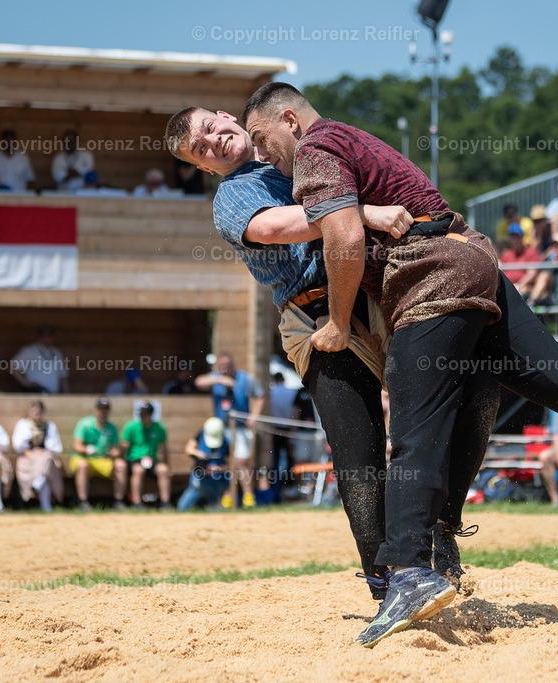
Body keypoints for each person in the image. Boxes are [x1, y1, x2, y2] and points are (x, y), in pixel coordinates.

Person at [241, 82, 558, 646]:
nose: (261, 155)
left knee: (414, 430)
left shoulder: (316, 149)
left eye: (263, 140)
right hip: (475, 259)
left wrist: (338, 322)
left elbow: (342, 235)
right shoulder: (354, 137)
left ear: (289, 119)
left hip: (432, 280)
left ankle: (409, 573)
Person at [164, 105, 498, 606]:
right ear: (204, 169)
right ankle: (388, 586)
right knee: (358, 452)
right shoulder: (231, 197)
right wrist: (362, 213)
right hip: (313, 317)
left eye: (211, 130)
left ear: (227, 116)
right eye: (201, 151)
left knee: (478, 389)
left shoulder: (296, 154)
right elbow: (281, 227)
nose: (213, 145)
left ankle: (443, 524)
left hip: (380, 293)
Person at [195, 354, 265, 508]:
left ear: (233, 365)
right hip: (221, 429)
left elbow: (260, 396)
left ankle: (248, 497)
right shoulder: (216, 378)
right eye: (222, 367)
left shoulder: (245, 378)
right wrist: (219, 380)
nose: (224, 369)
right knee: (223, 462)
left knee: (242, 461)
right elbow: (198, 382)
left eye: (227, 366)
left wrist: (253, 417)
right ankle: (226, 498)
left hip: (240, 427)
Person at [71, 397, 127, 511]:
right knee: (82, 465)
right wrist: (87, 450)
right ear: (95, 410)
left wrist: (112, 454)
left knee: (121, 465)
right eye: (101, 409)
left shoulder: (112, 428)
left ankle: (118, 501)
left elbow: (116, 449)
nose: (104, 412)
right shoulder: (84, 424)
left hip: (103, 461)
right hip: (83, 458)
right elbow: (76, 446)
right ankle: (83, 502)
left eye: (106, 409)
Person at [11, 400, 64, 512]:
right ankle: (44, 500)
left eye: (39, 412)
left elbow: (55, 448)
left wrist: (44, 452)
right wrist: (32, 453)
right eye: (34, 411)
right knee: (45, 468)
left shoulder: (49, 426)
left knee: (47, 462)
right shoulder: (23, 424)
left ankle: (40, 488)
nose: (36, 414)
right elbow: (19, 446)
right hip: (28, 459)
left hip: (45, 458)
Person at [121, 402, 172, 509]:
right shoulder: (131, 427)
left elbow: (164, 449)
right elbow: (124, 448)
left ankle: (165, 502)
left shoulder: (159, 427)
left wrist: (167, 465)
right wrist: (124, 463)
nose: (143, 416)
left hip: (152, 459)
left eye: (146, 414)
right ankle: (137, 502)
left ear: (151, 415)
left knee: (163, 470)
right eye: (141, 414)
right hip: (134, 459)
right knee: (139, 471)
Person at [177, 417, 231, 511]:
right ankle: (213, 504)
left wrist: (219, 469)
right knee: (183, 508)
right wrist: (198, 454)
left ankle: (214, 504)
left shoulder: (227, 441)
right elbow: (188, 449)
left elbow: (233, 465)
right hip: (200, 479)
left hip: (219, 480)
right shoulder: (201, 434)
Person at [10, 324, 69, 394]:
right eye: (44, 335)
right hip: (35, 395)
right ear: (40, 336)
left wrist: (67, 396)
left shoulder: (56, 353)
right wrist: (25, 383)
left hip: (53, 397)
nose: (47, 338)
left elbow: (63, 377)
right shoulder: (30, 351)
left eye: (50, 335)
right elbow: (13, 367)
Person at [498, 223, 542, 298]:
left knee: (524, 289)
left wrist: (518, 285)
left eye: (516, 236)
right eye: (512, 236)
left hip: (524, 288)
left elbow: (531, 273)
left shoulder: (531, 253)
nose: (514, 239)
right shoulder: (506, 255)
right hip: (507, 289)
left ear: (522, 237)